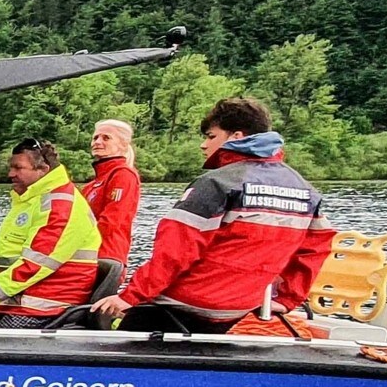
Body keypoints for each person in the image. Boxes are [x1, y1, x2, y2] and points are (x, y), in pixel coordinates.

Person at [95, 97, 333, 334]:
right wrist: (287, 299)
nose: (203, 145)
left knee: (111, 332)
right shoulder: (306, 190)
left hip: (181, 305)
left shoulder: (217, 182)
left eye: (211, 136)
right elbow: (315, 250)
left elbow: (175, 251)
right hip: (237, 309)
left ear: (236, 137)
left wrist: (130, 296)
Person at [0, 138, 102, 328]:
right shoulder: (31, 200)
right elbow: (2, 258)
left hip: (47, 304)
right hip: (20, 297)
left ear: (43, 170)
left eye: (18, 168)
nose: (10, 174)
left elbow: (34, 265)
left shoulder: (61, 206)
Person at [82, 119, 142, 266]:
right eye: (95, 137)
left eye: (106, 138)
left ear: (123, 144)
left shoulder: (123, 175)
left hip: (106, 257)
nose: (97, 142)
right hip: (84, 256)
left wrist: (78, 243)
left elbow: (111, 220)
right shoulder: (90, 186)